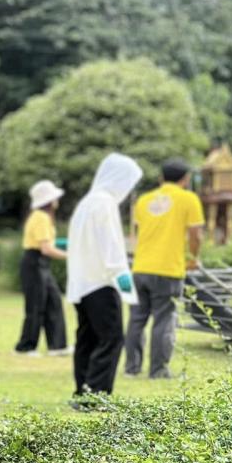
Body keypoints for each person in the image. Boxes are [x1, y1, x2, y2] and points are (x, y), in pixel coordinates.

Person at [66, 153, 143, 405]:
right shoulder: (105, 204)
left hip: (83, 284)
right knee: (110, 339)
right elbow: (113, 253)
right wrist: (127, 290)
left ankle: (83, 391)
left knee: (87, 339)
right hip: (102, 283)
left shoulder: (86, 203)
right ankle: (97, 396)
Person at [125, 157, 204, 379]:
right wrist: (193, 258)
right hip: (168, 269)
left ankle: (132, 368)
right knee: (164, 319)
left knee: (136, 319)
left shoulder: (143, 200)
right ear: (186, 179)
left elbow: (141, 232)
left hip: (140, 267)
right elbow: (196, 234)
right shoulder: (188, 199)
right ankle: (158, 371)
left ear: (161, 178)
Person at [14, 179, 71, 357]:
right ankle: (26, 347)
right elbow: (46, 248)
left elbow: (50, 243)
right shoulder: (41, 218)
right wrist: (71, 256)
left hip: (41, 264)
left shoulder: (41, 217)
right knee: (36, 306)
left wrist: (67, 245)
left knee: (53, 301)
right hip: (34, 263)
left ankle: (58, 345)